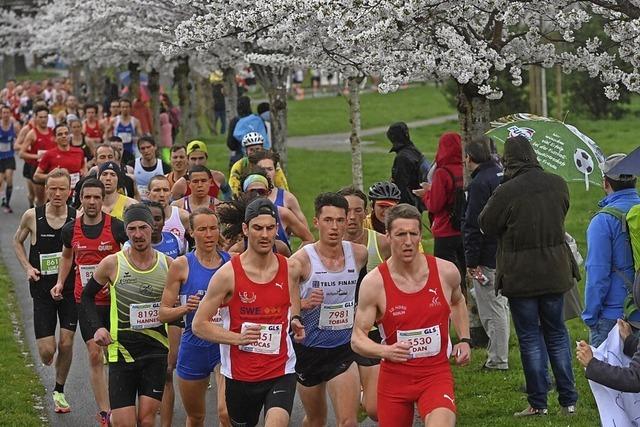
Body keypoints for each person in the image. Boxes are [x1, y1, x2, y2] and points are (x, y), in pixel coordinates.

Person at [478, 135, 579, 417]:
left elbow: (486, 224)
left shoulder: (506, 191)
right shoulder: (558, 184)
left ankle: (538, 402)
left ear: (508, 160)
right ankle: (569, 400)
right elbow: (562, 212)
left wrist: (502, 191)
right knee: (557, 333)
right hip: (555, 272)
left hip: (521, 277)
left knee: (530, 338)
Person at [352, 203, 471, 427]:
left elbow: (457, 301)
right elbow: (357, 338)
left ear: (420, 235)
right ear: (387, 236)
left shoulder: (446, 272)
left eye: (413, 234)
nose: (407, 242)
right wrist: (384, 350)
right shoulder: (374, 283)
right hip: (395, 379)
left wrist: (464, 339)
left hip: (435, 374)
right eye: (400, 234)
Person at [192, 198, 305, 427]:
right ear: (245, 229)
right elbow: (199, 324)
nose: (264, 235)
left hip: (281, 368)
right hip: (240, 375)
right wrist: (237, 338)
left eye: (270, 228)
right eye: (257, 228)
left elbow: (292, 299)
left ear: (276, 229)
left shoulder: (290, 268)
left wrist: (295, 318)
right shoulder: (227, 275)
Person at [81, 204, 172, 427]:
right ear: (126, 231)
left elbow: (177, 309)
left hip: (155, 350)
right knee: (125, 423)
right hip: (122, 351)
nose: (138, 234)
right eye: (132, 229)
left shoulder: (168, 265)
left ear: (153, 228)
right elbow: (86, 297)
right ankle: (112, 418)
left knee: (147, 420)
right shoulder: (112, 263)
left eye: (143, 227)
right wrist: (97, 328)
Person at [290, 193, 369, 427]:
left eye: (340, 220)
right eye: (328, 220)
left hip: (342, 349)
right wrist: (303, 306)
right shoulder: (299, 262)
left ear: (347, 221)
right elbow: (282, 302)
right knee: (316, 420)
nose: (334, 227)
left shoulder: (359, 254)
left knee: (348, 422)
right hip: (308, 349)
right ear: (316, 222)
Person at [54, 178, 127, 425]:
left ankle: (124, 405)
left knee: (118, 355)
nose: (93, 202)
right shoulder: (69, 230)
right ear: (81, 199)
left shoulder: (117, 227)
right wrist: (60, 282)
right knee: (95, 354)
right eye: (88, 197)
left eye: (97, 197)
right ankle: (106, 412)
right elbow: (66, 258)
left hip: (116, 302)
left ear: (102, 198)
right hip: (85, 302)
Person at [12, 169, 77, 414]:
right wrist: (28, 267)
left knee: (67, 342)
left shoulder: (76, 216)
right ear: (46, 190)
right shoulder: (32, 216)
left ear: (69, 191)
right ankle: (50, 359)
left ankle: (59, 391)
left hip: (69, 289)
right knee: (48, 351)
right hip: (41, 289)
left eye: (62, 189)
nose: (58, 193)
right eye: (53, 189)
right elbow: (17, 242)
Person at [159, 207, 231, 427]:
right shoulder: (182, 265)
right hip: (193, 346)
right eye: (202, 229)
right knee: (196, 416)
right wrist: (184, 309)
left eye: (213, 228)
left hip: (224, 345)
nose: (209, 235)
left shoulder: (232, 263)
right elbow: (163, 312)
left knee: (225, 413)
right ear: (191, 232)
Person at [337, 186, 391, 420]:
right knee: (345, 417)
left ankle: (362, 395)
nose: (351, 217)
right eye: (346, 211)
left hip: (371, 332)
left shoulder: (381, 243)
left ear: (366, 212)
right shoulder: (326, 246)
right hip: (335, 335)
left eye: (358, 211)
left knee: (375, 410)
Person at [582, 153, 640, 347]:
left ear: (605, 182)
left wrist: (591, 316)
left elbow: (597, 274)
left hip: (615, 315)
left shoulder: (603, 221)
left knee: (608, 376)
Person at [462, 139, 509, 370]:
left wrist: (471, 261)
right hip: (506, 250)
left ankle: (498, 359)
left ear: (470, 158)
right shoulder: (501, 174)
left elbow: (473, 224)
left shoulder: (479, 183)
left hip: (488, 255)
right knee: (501, 304)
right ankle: (499, 354)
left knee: (492, 307)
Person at [421, 132, 465, 291]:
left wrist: (426, 194)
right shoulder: (465, 170)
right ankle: (467, 306)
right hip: (464, 228)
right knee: (464, 273)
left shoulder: (442, 173)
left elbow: (435, 205)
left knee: (445, 276)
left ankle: (451, 310)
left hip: (445, 230)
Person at [240, 171, 314, 250]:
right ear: (244, 194)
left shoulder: (282, 213)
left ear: (268, 193)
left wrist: (292, 260)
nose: (257, 195)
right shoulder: (237, 216)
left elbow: (309, 239)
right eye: (252, 191)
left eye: (261, 191)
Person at [248, 149, 305, 225]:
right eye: (262, 169)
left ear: (275, 171)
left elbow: (305, 231)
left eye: (270, 169)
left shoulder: (288, 198)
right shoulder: (246, 196)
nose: (266, 173)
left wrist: (287, 227)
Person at [229, 132, 288, 197]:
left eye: (257, 149)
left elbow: (281, 182)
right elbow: (233, 184)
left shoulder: (270, 163)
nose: (255, 152)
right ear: (246, 151)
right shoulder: (240, 165)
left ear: (262, 148)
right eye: (251, 150)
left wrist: (285, 197)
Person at [20, 105, 56, 205]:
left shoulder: (53, 131)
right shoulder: (32, 133)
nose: (43, 120)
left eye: (45, 117)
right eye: (40, 117)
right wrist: (37, 156)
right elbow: (21, 153)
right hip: (37, 169)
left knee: (51, 198)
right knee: (40, 201)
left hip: (51, 168)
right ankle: (36, 214)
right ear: (35, 118)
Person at [33, 123, 87, 188]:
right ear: (54, 138)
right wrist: (55, 177)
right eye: (60, 134)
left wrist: (83, 173)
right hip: (58, 193)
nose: (64, 136)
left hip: (76, 191)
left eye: (66, 133)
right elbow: (36, 176)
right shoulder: (49, 154)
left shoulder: (79, 151)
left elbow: (83, 167)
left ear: (70, 136)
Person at [148, 175, 191, 253]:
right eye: (157, 190)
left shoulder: (183, 216)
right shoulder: (141, 217)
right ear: (148, 194)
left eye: (165, 190)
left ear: (171, 194)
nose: (162, 194)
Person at [387, 122, 426, 206]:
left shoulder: (402, 158)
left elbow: (401, 187)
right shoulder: (414, 151)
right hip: (417, 199)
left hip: (408, 205)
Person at [133, 136, 171, 200]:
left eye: (148, 147)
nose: (146, 150)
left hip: (158, 203)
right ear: (139, 150)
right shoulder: (132, 165)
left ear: (155, 147)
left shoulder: (165, 167)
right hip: (138, 203)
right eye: (143, 148)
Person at [107, 98, 143, 164]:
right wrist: (109, 140)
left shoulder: (135, 121)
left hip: (130, 148)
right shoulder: (114, 120)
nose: (125, 109)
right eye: (123, 107)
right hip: (117, 149)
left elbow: (140, 136)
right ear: (120, 108)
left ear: (130, 108)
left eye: (127, 107)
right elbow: (107, 131)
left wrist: (137, 139)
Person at [0, 104, 19, 213]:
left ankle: (7, 203)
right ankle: (3, 197)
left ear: (10, 114)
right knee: (0, 180)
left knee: (9, 178)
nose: (6, 115)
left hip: (9, 156)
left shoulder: (14, 126)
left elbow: (19, 137)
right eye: (4, 113)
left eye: (8, 113)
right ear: (1, 114)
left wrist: (16, 143)